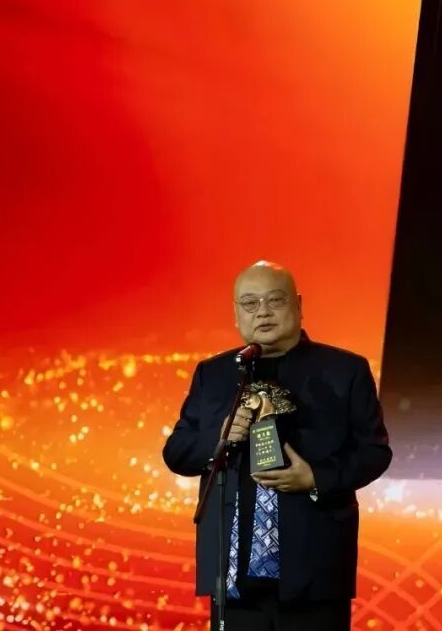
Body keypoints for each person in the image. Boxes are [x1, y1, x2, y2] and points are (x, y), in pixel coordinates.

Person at [163, 261, 391, 630]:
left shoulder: (345, 370)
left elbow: (374, 452)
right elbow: (177, 451)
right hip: (233, 577)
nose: (263, 312)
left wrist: (315, 478)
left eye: (275, 300)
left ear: (298, 305)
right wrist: (218, 438)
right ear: (236, 314)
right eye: (250, 303)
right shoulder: (214, 374)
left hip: (314, 571)